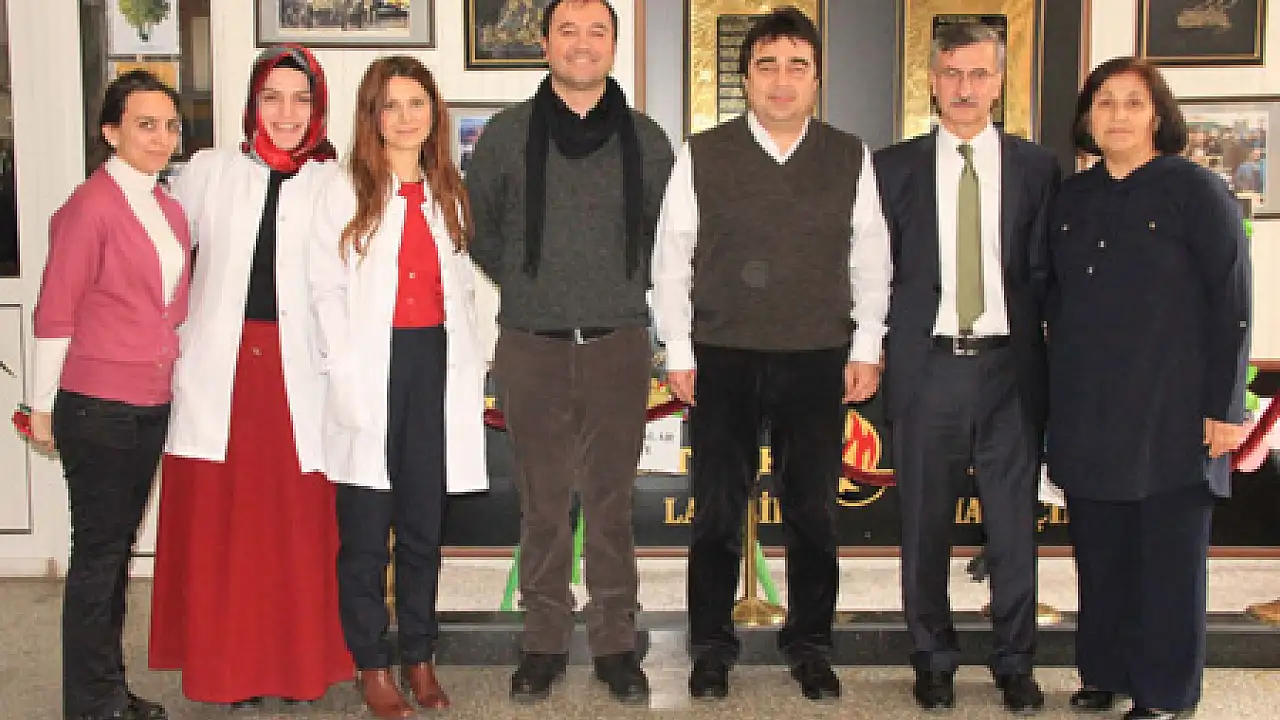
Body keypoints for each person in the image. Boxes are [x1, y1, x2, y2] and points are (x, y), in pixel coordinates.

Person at [651, 7, 889, 703]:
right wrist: (679, 349)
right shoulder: (704, 153)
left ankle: (810, 644)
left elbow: (871, 258)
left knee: (813, 513)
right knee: (717, 514)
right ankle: (711, 647)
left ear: (816, 79)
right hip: (721, 358)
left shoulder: (849, 155)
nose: (782, 80)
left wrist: (867, 345)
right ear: (746, 78)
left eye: (797, 66)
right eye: (767, 66)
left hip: (817, 357)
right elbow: (672, 258)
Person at [465, 0, 674, 705]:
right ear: (545, 42)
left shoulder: (646, 139)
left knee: (612, 505)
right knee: (543, 506)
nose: (582, 44)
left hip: (619, 344)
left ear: (613, 45)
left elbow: (667, 236)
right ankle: (544, 642)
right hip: (532, 345)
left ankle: (615, 643)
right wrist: (533, 286)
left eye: (597, 31)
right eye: (568, 31)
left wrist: (617, 289)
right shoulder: (506, 134)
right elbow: (479, 227)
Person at [147, 44, 353, 709]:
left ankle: (298, 671)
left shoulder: (339, 182)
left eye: (301, 99)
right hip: (222, 373)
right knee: (224, 529)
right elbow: (154, 249)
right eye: (272, 98)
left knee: (295, 528)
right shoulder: (209, 171)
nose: (286, 113)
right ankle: (225, 672)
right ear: (252, 104)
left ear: (318, 108)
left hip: (302, 377)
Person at [1048, 57, 1252, 720]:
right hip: (1089, 408)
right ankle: (1104, 671)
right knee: (1100, 553)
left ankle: (1165, 693)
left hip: (1175, 410)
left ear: (1158, 116)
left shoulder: (1197, 191)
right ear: (1087, 117)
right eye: (1104, 102)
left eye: (1133, 103)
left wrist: (1225, 407)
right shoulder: (1071, 199)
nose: (1117, 116)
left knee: (1168, 561)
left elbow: (1232, 302)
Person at [872, 22, 1059, 714]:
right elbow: (872, 273)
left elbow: (1048, 275)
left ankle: (1015, 661)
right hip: (929, 368)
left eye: (979, 74)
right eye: (951, 73)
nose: (964, 88)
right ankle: (932, 658)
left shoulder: (1038, 168)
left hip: (1012, 370)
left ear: (999, 83)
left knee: (1013, 528)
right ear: (932, 80)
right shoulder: (891, 169)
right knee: (923, 527)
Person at [310, 55, 490, 720]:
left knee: (421, 528)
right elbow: (324, 291)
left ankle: (419, 654)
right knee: (365, 535)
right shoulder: (343, 189)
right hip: (371, 367)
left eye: (418, 103)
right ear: (373, 116)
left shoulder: (449, 192)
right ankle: (373, 663)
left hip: (433, 368)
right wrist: (345, 373)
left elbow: (464, 292)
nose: (406, 117)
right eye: (392, 105)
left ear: (434, 114)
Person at [31, 70, 188, 720]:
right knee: (99, 557)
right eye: (145, 125)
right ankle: (92, 703)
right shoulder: (90, 206)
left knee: (116, 553)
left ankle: (106, 691)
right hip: (97, 406)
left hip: (148, 402)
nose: (161, 137)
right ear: (111, 131)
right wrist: (41, 406)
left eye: (170, 125)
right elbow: (55, 311)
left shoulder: (166, 207)